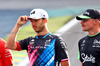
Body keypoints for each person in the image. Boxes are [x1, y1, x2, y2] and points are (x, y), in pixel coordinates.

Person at [5, 8, 70, 66]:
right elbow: (9, 45)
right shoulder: (29, 41)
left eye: (36, 20)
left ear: (45, 20)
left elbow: (65, 63)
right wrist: (18, 25)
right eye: (31, 21)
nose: (33, 24)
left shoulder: (56, 40)